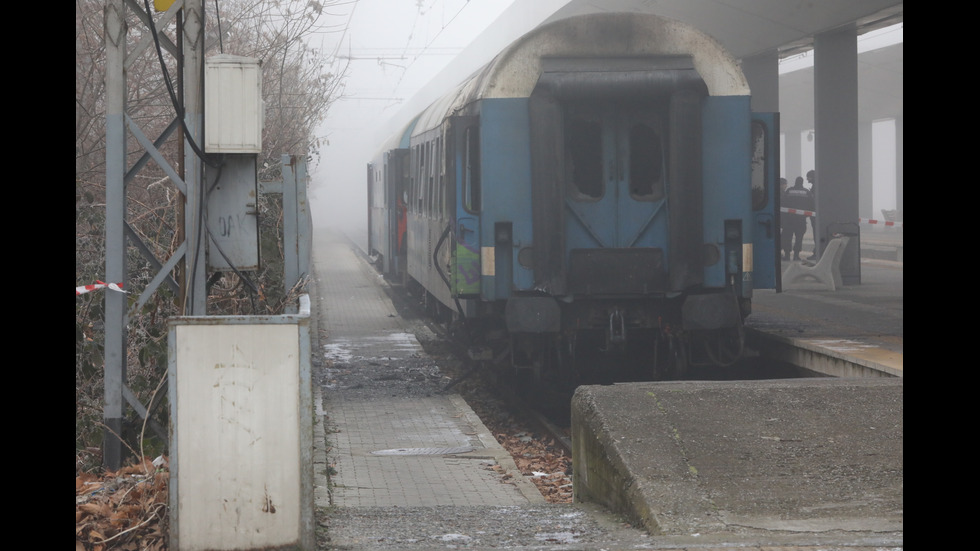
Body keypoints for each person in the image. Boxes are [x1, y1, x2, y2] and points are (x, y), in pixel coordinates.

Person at [781, 176, 812, 261]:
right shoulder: (806, 192)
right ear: (802, 183)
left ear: (795, 182)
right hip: (801, 220)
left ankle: (787, 255)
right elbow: (811, 204)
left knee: (788, 237)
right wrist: (806, 215)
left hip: (789, 220)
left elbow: (783, 202)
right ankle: (796, 255)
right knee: (799, 238)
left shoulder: (789, 191)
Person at [805, 170, 818, 260]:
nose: (807, 179)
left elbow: (813, 201)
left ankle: (817, 252)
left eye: (808, 177)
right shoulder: (816, 186)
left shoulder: (815, 187)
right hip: (815, 214)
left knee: (816, 233)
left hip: (815, 215)